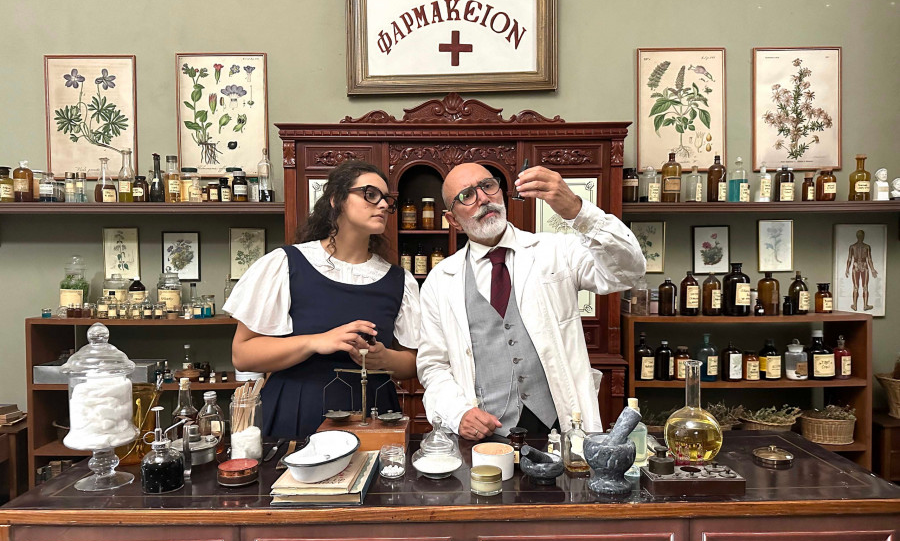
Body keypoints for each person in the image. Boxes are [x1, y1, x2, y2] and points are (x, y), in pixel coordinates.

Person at [417, 162, 645, 441]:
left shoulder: (555, 251)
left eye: (487, 186)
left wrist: (579, 212)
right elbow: (433, 365)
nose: (483, 198)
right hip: (485, 433)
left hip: (559, 425)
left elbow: (627, 272)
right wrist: (458, 413)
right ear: (452, 220)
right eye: (467, 195)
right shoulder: (440, 280)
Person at [224, 161, 420, 440]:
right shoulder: (286, 264)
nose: (382, 205)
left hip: (374, 416)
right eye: (370, 194)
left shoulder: (399, 280)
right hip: (297, 412)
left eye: (387, 200)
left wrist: (383, 358)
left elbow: (412, 362)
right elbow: (243, 355)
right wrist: (316, 342)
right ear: (336, 199)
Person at [845, 229, 878, 311]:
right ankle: (865, 305)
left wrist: (847, 269)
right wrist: (872, 269)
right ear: (863, 236)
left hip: (855, 266)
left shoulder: (852, 246)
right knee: (865, 287)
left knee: (856, 287)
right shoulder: (867, 247)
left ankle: (855, 305)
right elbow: (869, 259)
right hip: (864, 266)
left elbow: (849, 259)